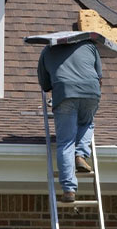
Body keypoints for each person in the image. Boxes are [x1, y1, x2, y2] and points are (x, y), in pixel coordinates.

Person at [37, 40, 102, 203]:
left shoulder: (47, 50)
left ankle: (69, 190)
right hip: (91, 90)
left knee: (66, 142)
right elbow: (99, 76)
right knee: (87, 123)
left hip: (65, 92)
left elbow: (45, 85)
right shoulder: (89, 45)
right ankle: (80, 154)